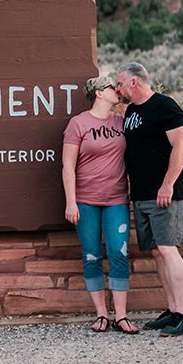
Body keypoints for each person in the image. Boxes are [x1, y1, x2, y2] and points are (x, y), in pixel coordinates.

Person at [115, 61, 183, 336]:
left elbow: (181, 146)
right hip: (142, 193)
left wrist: (168, 184)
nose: (118, 89)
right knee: (156, 251)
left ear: (133, 82)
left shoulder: (165, 106)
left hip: (165, 193)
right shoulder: (132, 112)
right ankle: (172, 309)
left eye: (120, 83)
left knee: (168, 248)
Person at [62, 75, 138, 334]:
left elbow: (131, 98)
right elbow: (67, 166)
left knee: (119, 253)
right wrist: (70, 202)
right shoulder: (78, 124)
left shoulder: (121, 121)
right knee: (92, 254)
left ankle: (122, 315)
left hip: (116, 199)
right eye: (110, 87)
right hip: (85, 201)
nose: (116, 90)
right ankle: (101, 314)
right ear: (99, 93)